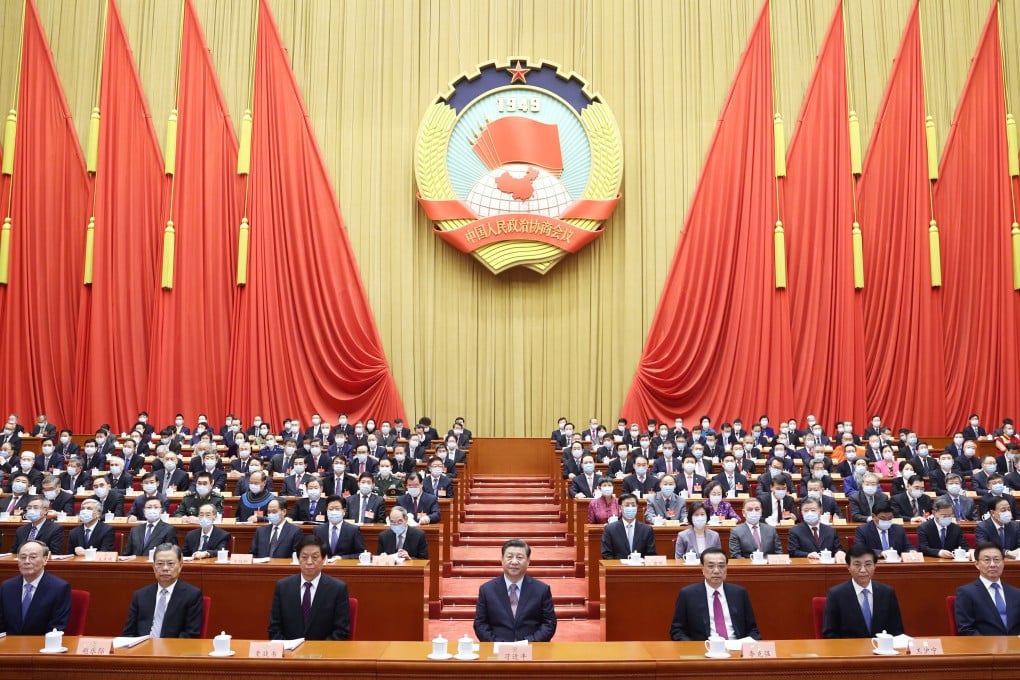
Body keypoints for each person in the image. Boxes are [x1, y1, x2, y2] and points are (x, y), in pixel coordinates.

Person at [268, 535, 350, 640]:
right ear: (298, 559)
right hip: (289, 652)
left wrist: (316, 651)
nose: (309, 562)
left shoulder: (338, 589)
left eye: (315, 557)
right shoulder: (283, 587)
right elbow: (274, 629)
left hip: (323, 652)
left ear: (324, 559)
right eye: (304, 557)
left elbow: (341, 632)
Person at [473, 539, 556, 642]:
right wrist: (498, 644)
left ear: (528, 561)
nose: (514, 562)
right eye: (509, 557)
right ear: (502, 560)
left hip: (532, 650)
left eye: (520, 557)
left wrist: (528, 642)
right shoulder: (487, 590)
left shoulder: (542, 589)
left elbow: (549, 623)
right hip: (496, 650)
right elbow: (480, 623)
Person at [669, 547, 759, 641]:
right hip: (704, 649)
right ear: (702, 568)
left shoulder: (739, 593)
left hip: (736, 648)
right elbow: (677, 631)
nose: (716, 571)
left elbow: (753, 630)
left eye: (721, 566)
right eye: (711, 566)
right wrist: (695, 648)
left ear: (726, 568)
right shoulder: (687, 594)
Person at [821, 543, 905, 638]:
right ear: (848, 567)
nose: (863, 570)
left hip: (882, 650)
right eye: (857, 565)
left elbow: (897, 631)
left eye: (868, 564)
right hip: (850, 650)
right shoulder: (836, 594)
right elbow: (829, 634)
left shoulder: (887, 592)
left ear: (875, 566)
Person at [121, 543, 204, 638]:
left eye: (170, 564)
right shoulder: (140, 595)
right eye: (160, 564)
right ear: (153, 567)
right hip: (142, 649)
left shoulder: (192, 595)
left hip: (173, 650)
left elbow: (190, 635)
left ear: (180, 566)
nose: (165, 568)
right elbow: (128, 633)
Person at [0, 539, 70, 634]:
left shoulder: (59, 588)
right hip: (9, 645)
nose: (27, 561)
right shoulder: (7, 587)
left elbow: (57, 626)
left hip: (41, 646)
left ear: (45, 560)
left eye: (33, 557)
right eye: (22, 557)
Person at [958, 543, 1020, 635]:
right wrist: (990, 646)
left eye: (997, 560)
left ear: (1003, 563)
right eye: (987, 560)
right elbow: (966, 629)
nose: (992, 564)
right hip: (984, 647)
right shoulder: (966, 593)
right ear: (977, 564)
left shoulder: (1016, 593)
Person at [601, 494, 656, 558]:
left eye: (633, 505)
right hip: (618, 567)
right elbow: (606, 554)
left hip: (640, 567)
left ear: (637, 507)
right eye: (627, 505)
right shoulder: (610, 529)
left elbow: (651, 554)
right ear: (620, 508)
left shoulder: (647, 530)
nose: (630, 508)